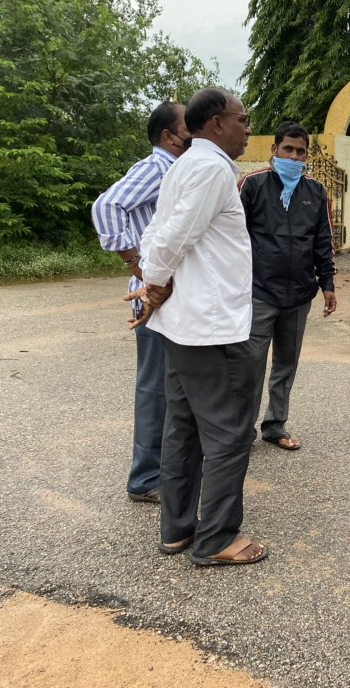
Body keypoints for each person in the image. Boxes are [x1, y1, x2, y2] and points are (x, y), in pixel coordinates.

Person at [129, 87, 267, 566]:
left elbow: (154, 234)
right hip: (211, 328)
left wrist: (155, 281)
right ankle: (216, 540)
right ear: (216, 124)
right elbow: (172, 237)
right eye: (242, 119)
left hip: (185, 326)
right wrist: (155, 283)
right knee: (229, 434)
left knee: (182, 429)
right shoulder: (209, 168)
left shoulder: (186, 164)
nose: (248, 129)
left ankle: (177, 529)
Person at [90, 101, 189, 504]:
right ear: (168, 136)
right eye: (188, 126)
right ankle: (146, 478)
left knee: (172, 388)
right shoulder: (156, 169)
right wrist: (137, 265)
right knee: (154, 389)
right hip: (154, 299)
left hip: (173, 297)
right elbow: (106, 206)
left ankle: (164, 470)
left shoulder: (180, 170)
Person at [239, 121, 337, 451]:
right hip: (258, 292)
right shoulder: (251, 185)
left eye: (300, 152)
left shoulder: (316, 191)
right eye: (288, 150)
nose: (294, 157)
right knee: (250, 364)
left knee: (286, 363)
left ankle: (274, 424)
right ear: (274, 150)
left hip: (298, 295)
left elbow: (324, 240)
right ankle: (242, 430)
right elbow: (232, 237)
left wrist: (328, 284)